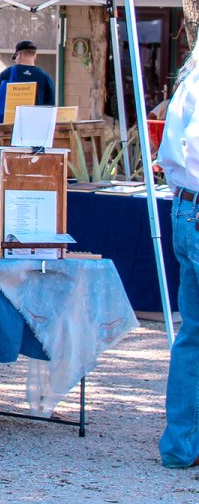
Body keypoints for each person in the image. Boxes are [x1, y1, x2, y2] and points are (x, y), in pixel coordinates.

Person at [160, 48, 199, 468]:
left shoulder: (190, 79)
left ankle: (182, 445)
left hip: (187, 205)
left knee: (194, 335)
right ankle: (182, 445)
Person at [0, 39, 56, 125]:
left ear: (19, 55)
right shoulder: (45, 76)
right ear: (35, 56)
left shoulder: (8, 72)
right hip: (34, 124)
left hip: (8, 125)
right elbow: (50, 107)